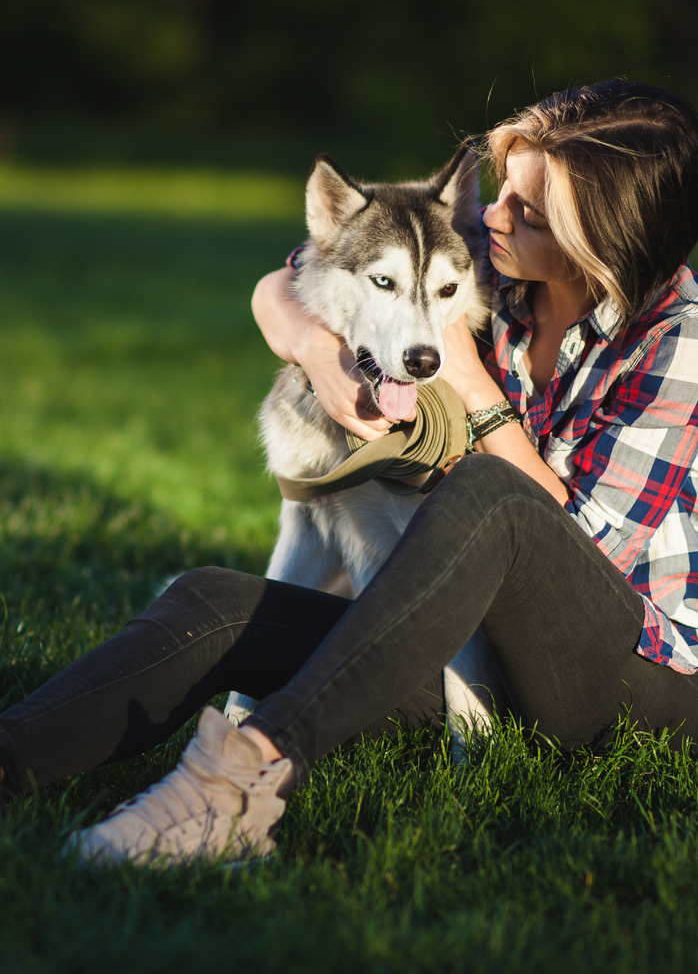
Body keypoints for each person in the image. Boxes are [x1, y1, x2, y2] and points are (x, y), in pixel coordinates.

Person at [2, 78, 698, 864]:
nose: (490, 218)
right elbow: (297, 273)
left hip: (627, 681)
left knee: (489, 492)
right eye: (501, 192)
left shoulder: (679, 341)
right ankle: (12, 755)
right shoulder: (494, 271)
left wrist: (472, 386)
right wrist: (314, 351)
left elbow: (577, 551)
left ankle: (237, 783)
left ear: (600, 240)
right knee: (216, 600)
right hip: (462, 646)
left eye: (526, 213)